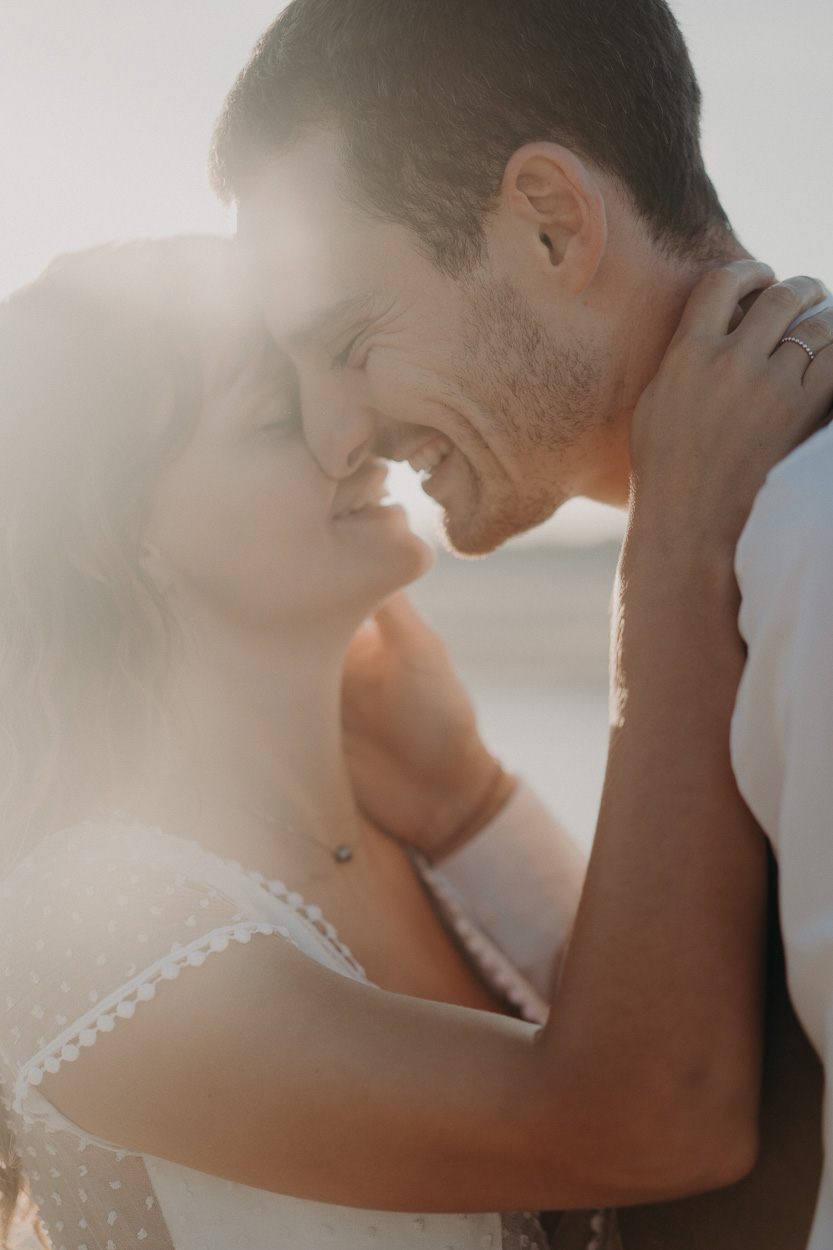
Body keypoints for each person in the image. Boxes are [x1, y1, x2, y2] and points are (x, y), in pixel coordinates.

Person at [0, 235, 828, 1250]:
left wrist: (472, 803)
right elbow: (654, 1115)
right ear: (115, 537)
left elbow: (665, 1011)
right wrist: (673, 534)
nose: (354, 431)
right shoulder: (86, 933)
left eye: (334, 372)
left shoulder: (421, 837)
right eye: (275, 414)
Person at [209, 1, 833, 1243]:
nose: (338, 434)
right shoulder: (747, 554)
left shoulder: (805, 542)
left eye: (348, 339)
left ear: (549, 224)